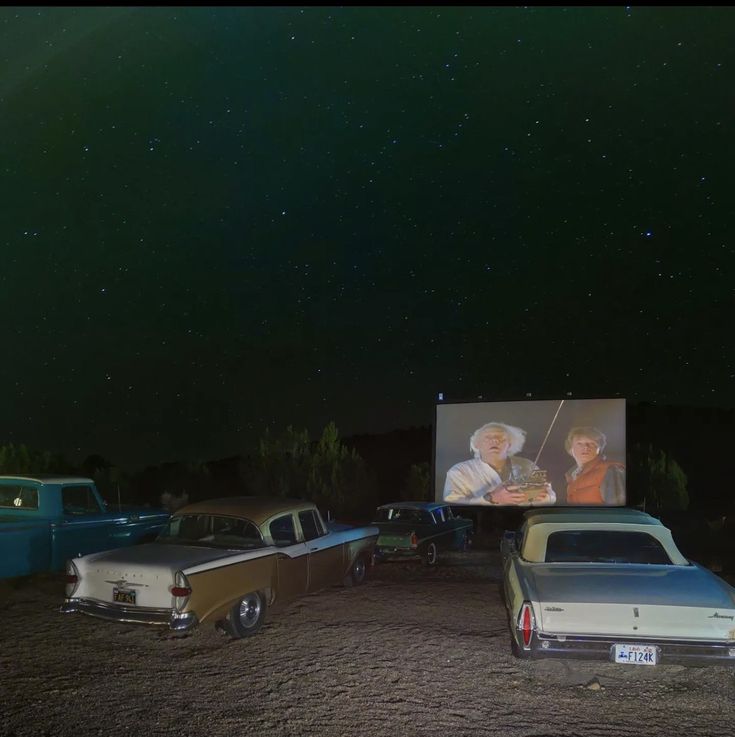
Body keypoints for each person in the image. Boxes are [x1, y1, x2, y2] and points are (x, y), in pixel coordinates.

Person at [443, 422, 556, 505]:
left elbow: (551, 497)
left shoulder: (528, 465)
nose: (495, 441)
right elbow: (451, 505)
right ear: (477, 444)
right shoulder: (459, 472)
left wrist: (544, 498)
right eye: (488, 437)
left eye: (501, 438)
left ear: (510, 444)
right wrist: (491, 498)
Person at [564, 426, 625, 505]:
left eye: (592, 443)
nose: (586, 447)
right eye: (579, 443)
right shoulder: (571, 476)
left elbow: (618, 511)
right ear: (570, 449)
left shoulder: (612, 470)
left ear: (599, 448)